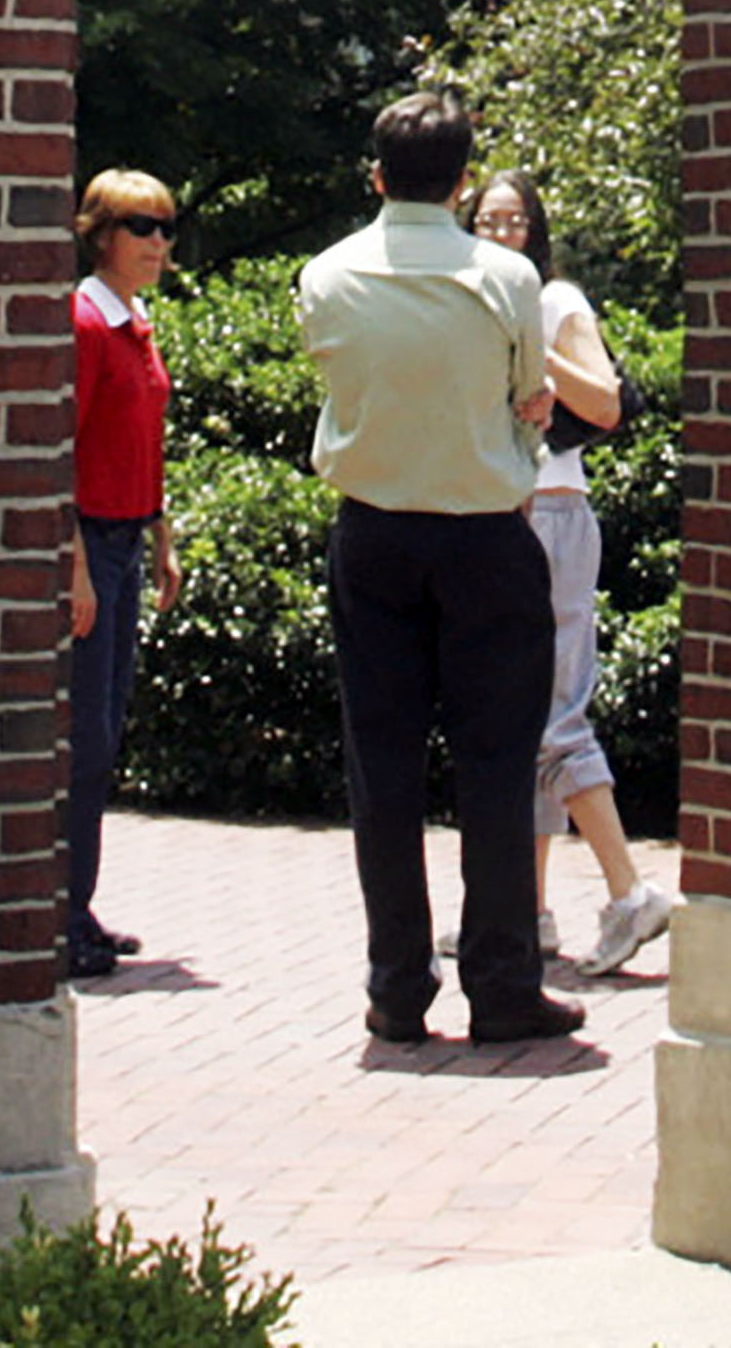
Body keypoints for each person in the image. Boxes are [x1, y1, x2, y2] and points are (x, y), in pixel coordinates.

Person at [295, 87, 576, 1048]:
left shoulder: (325, 275)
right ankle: (501, 986)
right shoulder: (507, 280)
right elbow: (532, 394)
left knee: (383, 766)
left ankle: (396, 989)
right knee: (496, 765)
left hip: (371, 531)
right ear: (464, 181)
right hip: (486, 535)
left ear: (375, 177)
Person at [472, 172, 677, 979]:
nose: (502, 231)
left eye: (516, 218)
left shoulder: (554, 301)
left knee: (555, 713)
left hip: (551, 512)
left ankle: (631, 894)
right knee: (521, 717)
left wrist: (539, 352)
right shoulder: (471, 296)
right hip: (501, 510)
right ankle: (531, 911)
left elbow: (608, 403)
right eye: (487, 218)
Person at [62, 167, 188, 982]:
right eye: (140, 226)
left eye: (166, 227)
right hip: (92, 547)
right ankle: (58, 912)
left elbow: (146, 442)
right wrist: (75, 568)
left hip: (127, 540)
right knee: (84, 738)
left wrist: (163, 535)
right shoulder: (83, 323)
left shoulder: (134, 322)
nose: (156, 242)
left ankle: (77, 902)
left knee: (105, 735)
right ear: (100, 232)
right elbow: (60, 449)